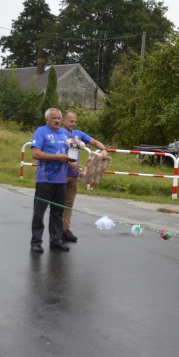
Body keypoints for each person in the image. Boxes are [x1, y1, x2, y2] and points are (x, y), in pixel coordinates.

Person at [29, 108, 78, 253]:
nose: (57, 120)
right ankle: (36, 241)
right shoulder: (41, 132)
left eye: (58, 118)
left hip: (61, 180)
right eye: (53, 118)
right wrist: (57, 158)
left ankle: (56, 240)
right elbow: (35, 153)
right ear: (47, 120)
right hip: (45, 179)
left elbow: (70, 151)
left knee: (57, 212)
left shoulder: (64, 133)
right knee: (39, 212)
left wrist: (71, 161)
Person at [60, 110, 108, 243]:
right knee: (58, 203)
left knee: (69, 203)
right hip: (60, 173)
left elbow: (94, 142)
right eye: (71, 121)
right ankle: (56, 231)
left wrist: (103, 149)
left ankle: (65, 230)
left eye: (75, 121)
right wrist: (67, 162)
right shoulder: (58, 133)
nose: (73, 124)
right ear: (63, 120)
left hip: (74, 174)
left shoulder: (78, 134)